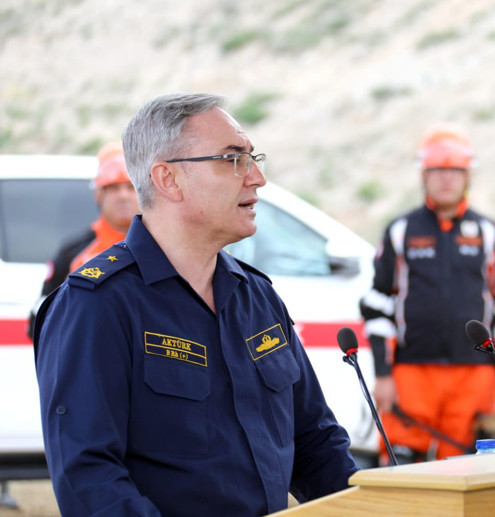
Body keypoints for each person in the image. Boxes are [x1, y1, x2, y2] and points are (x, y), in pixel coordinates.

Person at [34, 92, 359, 516]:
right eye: (232, 159)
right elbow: (89, 479)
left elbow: (315, 444)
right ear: (169, 179)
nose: (257, 177)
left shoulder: (256, 297)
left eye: (252, 157)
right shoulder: (96, 305)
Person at [359, 123, 495, 463]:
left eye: (455, 171)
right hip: (411, 375)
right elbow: (378, 306)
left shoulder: (491, 233)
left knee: (469, 472)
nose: (446, 179)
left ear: (468, 176)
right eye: (438, 170)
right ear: (424, 174)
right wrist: (382, 374)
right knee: (399, 469)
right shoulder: (400, 231)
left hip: (475, 376)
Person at [26, 143, 140, 338]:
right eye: (112, 187)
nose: (123, 196)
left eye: (130, 186)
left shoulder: (165, 247)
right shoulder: (73, 253)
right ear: (98, 194)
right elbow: (39, 319)